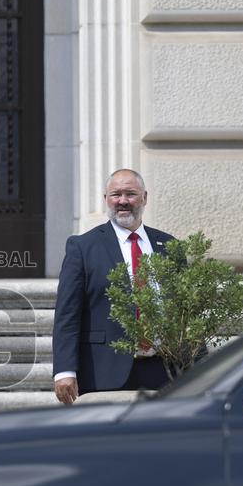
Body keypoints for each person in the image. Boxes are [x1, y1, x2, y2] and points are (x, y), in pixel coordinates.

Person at [52, 168, 175, 405]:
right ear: (106, 199)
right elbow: (67, 314)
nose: (123, 201)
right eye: (115, 195)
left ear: (144, 197)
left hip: (163, 370)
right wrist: (65, 370)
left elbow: (185, 310)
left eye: (130, 194)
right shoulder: (83, 247)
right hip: (103, 370)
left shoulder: (168, 245)